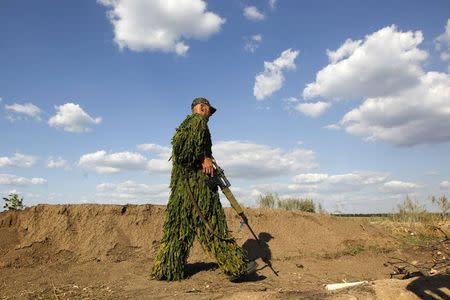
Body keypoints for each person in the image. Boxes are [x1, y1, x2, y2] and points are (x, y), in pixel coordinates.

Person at [151, 97, 256, 281]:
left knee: (178, 229)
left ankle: (167, 269)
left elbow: (181, 152)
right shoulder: (198, 122)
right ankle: (236, 267)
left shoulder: (186, 125)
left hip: (182, 191)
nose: (210, 115)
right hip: (198, 189)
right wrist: (204, 158)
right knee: (213, 225)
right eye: (209, 110)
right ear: (201, 108)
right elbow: (184, 152)